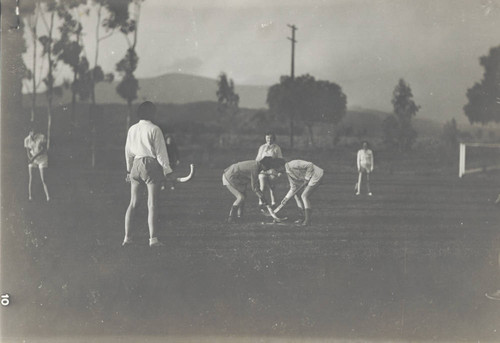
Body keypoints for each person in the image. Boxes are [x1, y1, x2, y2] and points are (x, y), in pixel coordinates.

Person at [123, 101, 172, 247]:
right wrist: (167, 171)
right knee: (152, 203)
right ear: (152, 113)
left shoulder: (132, 129)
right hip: (150, 165)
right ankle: (153, 240)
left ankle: (127, 238)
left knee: (133, 203)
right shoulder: (155, 129)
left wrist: (128, 170)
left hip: (136, 165)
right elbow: (161, 153)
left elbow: (128, 151)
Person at [222, 157, 275, 223]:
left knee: (243, 195)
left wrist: (261, 196)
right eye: (267, 168)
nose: (266, 170)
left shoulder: (256, 164)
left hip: (233, 176)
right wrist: (262, 197)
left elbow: (254, 182)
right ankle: (231, 218)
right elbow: (255, 187)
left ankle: (240, 216)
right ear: (263, 165)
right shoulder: (254, 168)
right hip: (229, 177)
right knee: (241, 197)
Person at [277, 159, 324, 226]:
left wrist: (307, 178)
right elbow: (293, 188)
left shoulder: (293, 164)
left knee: (304, 196)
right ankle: (301, 217)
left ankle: (307, 220)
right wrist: (286, 198)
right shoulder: (288, 173)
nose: (277, 171)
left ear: (280, 166)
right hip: (312, 177)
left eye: (277, 169)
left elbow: (310, 164)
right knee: (296, 195)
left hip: (317, 174)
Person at [255, 132, 283, 207]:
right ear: (265, 138)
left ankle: (273, 202)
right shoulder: (262, 147)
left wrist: (277, 168)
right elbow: (257, 159)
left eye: (271, 138)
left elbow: (280, 159)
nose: (269, 140)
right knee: (262, 186)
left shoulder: (277, 148)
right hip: (263, 169)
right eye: (267, 138)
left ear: (273, 138)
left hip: (272, 169)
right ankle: (261, 202)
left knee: (272, 186)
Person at [24, 128, 50, 202]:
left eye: (33, 131)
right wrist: (30, 159)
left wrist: (34, 157)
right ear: (29, 132)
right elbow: (28, 152)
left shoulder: (41, 137)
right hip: (33, 159)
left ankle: (48, 197)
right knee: (31, 178)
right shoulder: (26, 140)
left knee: (43, 179)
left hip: (42, 159)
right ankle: (30, 197)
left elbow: (43, 150)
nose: (32, 133)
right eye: (30, 131)